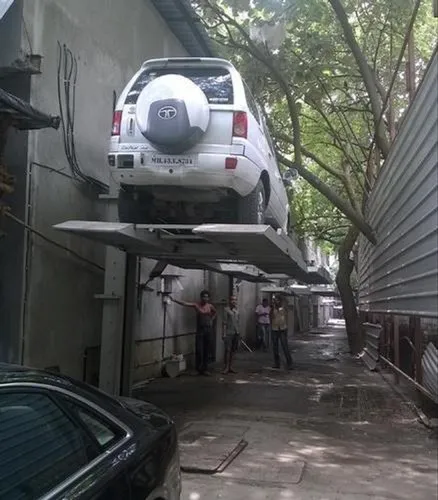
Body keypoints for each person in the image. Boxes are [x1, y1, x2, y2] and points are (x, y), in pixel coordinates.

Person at [170, 290, 216, 375]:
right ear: (201, 297)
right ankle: (198, 369)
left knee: (206, 350)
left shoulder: (210, 306)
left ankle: (205, 369)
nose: (205, 298)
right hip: (200, 330)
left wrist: (211, 320)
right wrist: (174, 300)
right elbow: (185, 303)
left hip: (208, 330)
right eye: (204, 297)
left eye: (207, 297)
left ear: (208, 298)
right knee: (199, 350)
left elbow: (215, 312)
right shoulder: (196, 305)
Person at [270, 295, 293, 370]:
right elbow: (271, 317)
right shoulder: (272, 309)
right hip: (275, 329)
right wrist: (273, 308)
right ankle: (277, 363)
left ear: (280, 301)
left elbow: (284, 313)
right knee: (275, 347)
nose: (276, 301)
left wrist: (281, 304)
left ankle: (289, 363)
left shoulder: (283, 308)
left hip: (282, 329)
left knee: (284, 346)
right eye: (275, 300)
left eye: (277, 300)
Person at [222, 295, 240, 374]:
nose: (234, 301)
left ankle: (231, 367)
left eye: (235, 300)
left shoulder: (236, 311)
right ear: (230, 301)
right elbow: (224, 323)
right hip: (228, 333)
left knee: (233, 350)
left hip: (236, 332)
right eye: (232, 300)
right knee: (227, 350)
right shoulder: (226, 310)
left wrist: (239, 332)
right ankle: (226, 367)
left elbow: (238, 322)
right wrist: (223, 333)